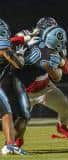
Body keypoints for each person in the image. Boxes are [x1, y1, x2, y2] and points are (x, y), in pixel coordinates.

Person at [13, 18, 68, 147]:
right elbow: (8, 43)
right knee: (21, 123)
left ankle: (62, 127)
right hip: (25, 91)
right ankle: (17, 140)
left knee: (66, 110)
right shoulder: (27, 36)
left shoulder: (53, 47)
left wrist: (61, 56)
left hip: (45, 87)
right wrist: (24, 39)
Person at [0, 18, 28, 155]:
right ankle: (9, 146)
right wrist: (20, 54)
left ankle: (10, 145)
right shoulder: (4, 47)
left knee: (6, 114)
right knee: (6, 114)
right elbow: (18, 64)